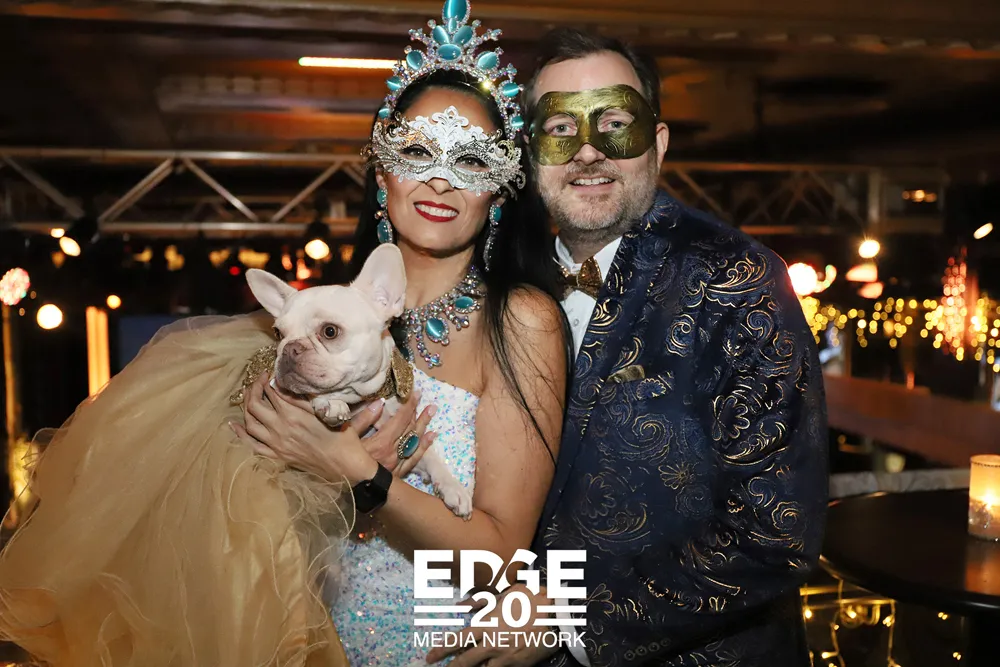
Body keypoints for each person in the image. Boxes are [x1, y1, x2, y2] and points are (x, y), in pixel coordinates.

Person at [428, 29, 829, 667]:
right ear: (530, 153)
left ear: (659, 143)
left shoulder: (735, 279)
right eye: (561, 128)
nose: (588, 151)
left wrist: (564, 616)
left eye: (615, 123)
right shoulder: (502, 282)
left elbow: (774, 531)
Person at [233, 2, 568, 665]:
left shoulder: (521, 320)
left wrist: (359, 472)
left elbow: (501, 559)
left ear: (500, 191)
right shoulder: (316, 321)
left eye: (470, 160)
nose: (440, 178)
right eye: (417, 151)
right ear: (382, 173)